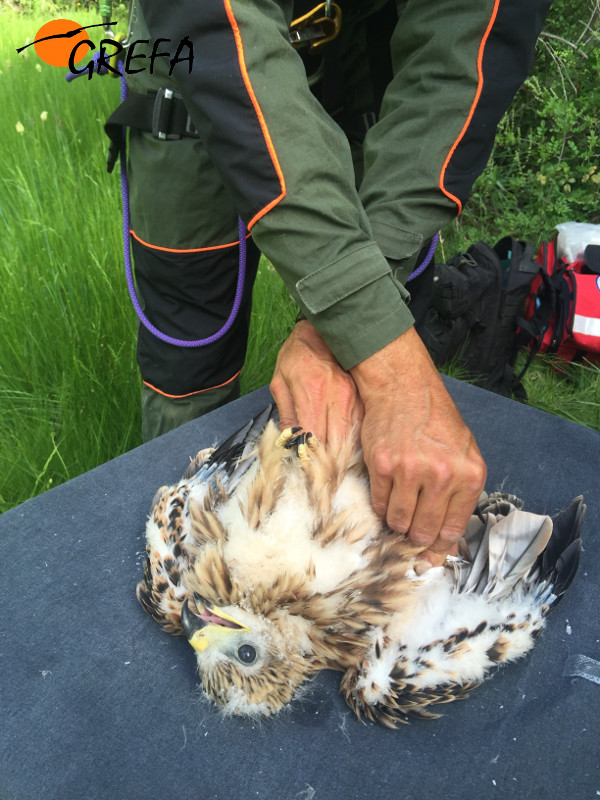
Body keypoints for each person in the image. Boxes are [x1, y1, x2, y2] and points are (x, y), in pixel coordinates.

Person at [116, 0, 552, 569]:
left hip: (360, 66)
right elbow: (216, 22)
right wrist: (383, 354)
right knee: (189, 359)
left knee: (385, 299)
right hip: (194, 73)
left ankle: (355, 555)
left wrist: (355, 333)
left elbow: (466, 46)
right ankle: (188, 553)